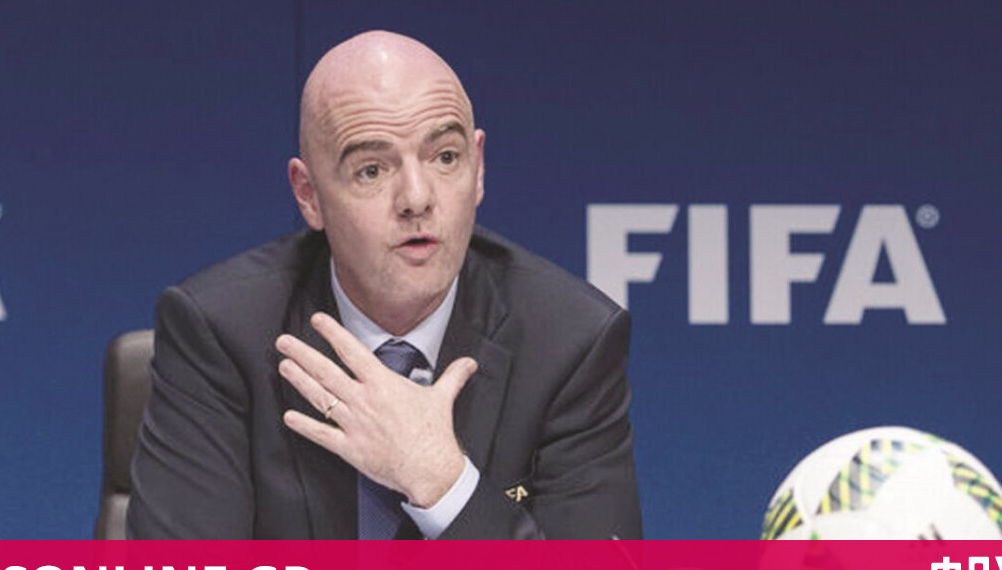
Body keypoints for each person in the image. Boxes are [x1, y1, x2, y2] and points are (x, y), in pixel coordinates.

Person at [127, 30, 641, 539]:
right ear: (308, 195)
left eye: (445, 157)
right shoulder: (223, 331)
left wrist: (444, 485)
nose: (417, 198)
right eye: (371, 170)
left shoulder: (569, 341)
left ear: (479, 167)